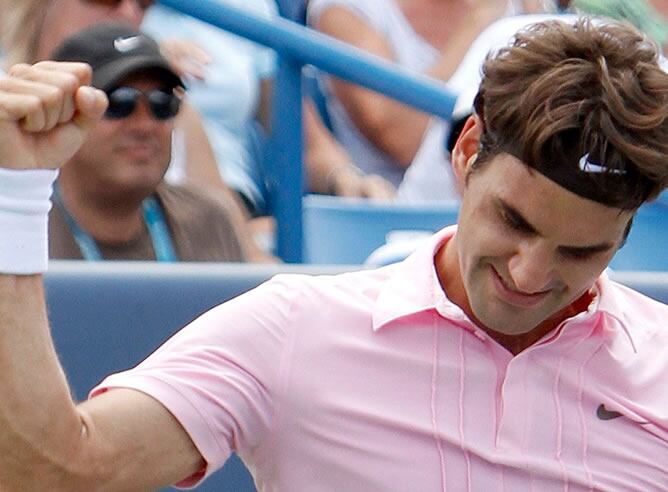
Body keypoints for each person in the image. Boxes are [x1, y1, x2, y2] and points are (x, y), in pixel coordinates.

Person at [0, 18, 667, 491]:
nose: (529, 273)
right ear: (467, 152)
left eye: (582, 251)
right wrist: (13, 198)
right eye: (512, 221)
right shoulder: (291, 328)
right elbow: (53, 475)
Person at [48, 23, 249, 262]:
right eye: (119, 103)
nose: (144, 125)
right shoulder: (19, 226)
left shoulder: (208, 221)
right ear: (63, 115)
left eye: (162, 103)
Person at [306, 0, 525, 195]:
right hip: (390, 215)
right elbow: (403, 140)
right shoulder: (347, 8)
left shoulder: (524, 8)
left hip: (506, 208)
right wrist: (480, 21)